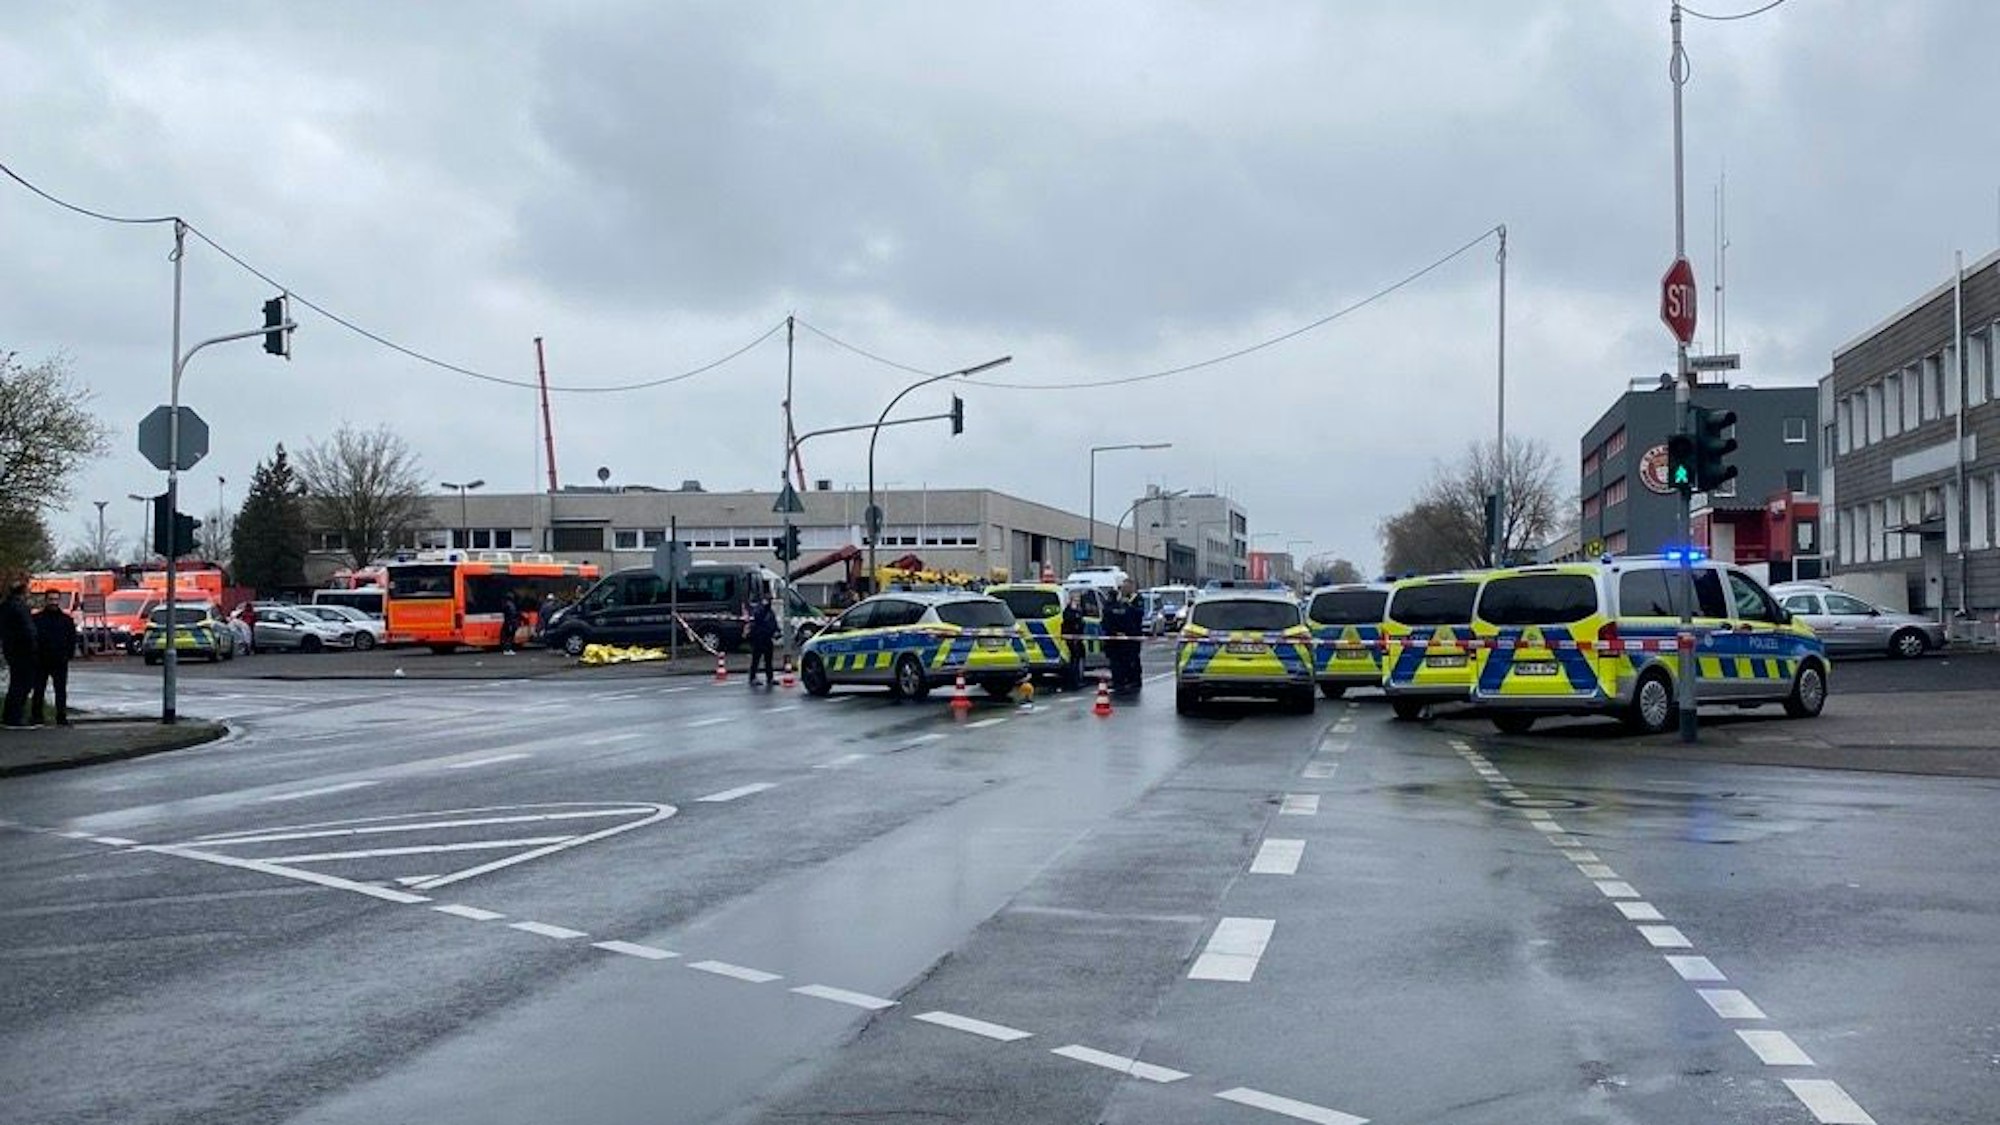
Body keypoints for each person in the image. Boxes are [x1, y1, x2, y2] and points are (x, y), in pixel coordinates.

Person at [32, 592, 77, 726]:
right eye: (51, 599)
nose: (54, 602)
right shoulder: (37, 619)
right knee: (39, 689)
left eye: (56, 599)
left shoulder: (66, 620)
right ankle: (37, 717)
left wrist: (68, 655)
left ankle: (61, 717)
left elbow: (72, 639)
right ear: (46, 601)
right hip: (41, 660)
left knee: (61, 690)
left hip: (60, 660)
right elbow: (33, 638)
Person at [2, 582, 39, 729]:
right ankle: (15, 717)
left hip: (12, 649)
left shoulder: (5, 606)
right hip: (23, 651)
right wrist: (34, 647)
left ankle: (9, 716)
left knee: (16, 683)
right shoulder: (19, 608)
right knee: (23, 684)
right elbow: (28, 631)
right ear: (23, 593)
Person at [1103, 579, 1145, 695]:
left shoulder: (1136, 599)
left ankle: (1134, 680)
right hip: (1115, 638)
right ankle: (1119, 681)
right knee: (1116, 661)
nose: (1125, 589)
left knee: (1132, 660)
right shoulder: (1115, 600)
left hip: (1132, 637)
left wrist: (1129, 606)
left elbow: (1139, 615)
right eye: (1123, 587)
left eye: (1127, 587)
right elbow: (1107, 615)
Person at [745, 595, 779, 687]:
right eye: (768, 600)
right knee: (756, 659)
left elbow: (774, 623)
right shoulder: (758, 610)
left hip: (767, 638)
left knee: (768, 660)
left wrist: (776, 631)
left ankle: (770, 678)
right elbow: (757, 619)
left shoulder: (770, 612)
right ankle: (752, 677)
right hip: (758, 638)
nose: (769, 603)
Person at [1060, 592, 1087, 691]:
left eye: (1078, 599)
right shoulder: (1069, 610)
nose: (1078, 601)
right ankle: (1073, 681)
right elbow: (1069, 620)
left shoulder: (1078, 609)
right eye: (1076, 599)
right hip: (1072, 638)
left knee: (1077, 658)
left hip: (1078, 638)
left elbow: (1080, 622)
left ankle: (1077, 680)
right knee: (1074, 660)